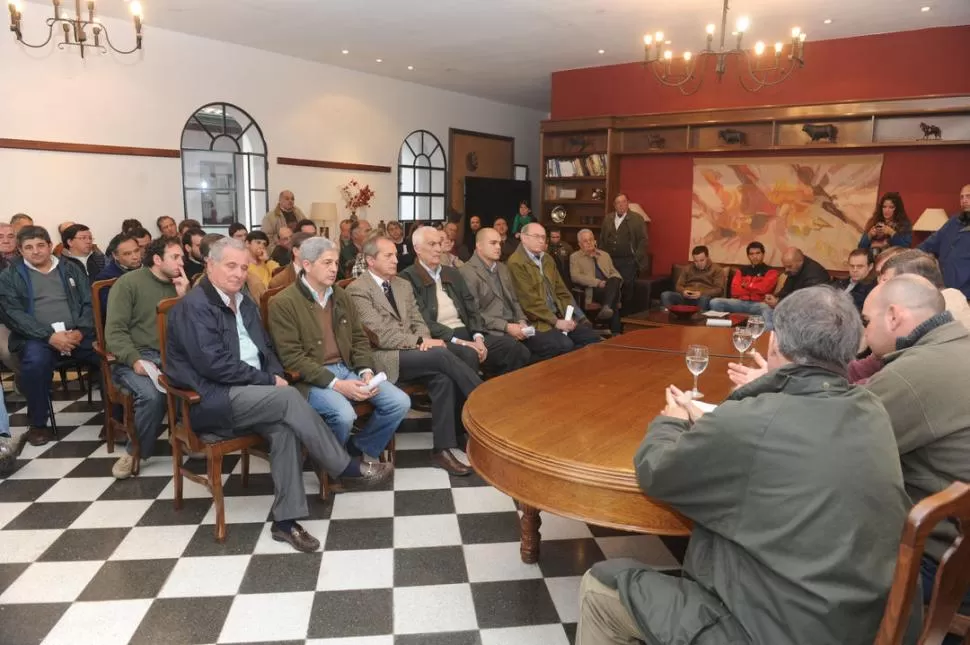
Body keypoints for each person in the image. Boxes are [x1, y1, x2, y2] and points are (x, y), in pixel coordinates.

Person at [579, 286, 916, 645]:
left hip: (776, 631)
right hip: (865, 621)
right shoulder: (872, 408)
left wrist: (671, 420)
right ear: (851, 348)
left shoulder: (753, 420)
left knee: (599, 589)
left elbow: (656, 471)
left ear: (774, 344)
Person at [165, 238, 393, 552]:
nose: (239, 273)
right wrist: (270, 381)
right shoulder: (193, 307)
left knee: (285, 427)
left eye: (244, 267)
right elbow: (214, 366)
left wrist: (275, 375)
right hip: (212, 400)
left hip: (256, 396)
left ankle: (285, 522)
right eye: (230, 266)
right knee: (287, 400)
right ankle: (344, 466)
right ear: (209, 265)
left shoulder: (243, 301)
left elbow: (267, 349)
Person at [861, 275, 970, 633]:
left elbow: (835, 448)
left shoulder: (912, 374)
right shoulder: (958, 346)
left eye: (866, 322)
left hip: (940, 561)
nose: (864, 334)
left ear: (893, 316)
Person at [347, 236, 482, 476]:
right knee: (441, 356)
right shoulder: (357, 290)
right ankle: (485, 402)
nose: (395, 259)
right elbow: (380, 335)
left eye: (395, 254)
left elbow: (419, 321)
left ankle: (444, 446)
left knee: (459, 361)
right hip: (384, 356)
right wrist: (420, 342)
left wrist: (423, 340)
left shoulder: (402, 285)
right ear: (370, 260)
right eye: (388, 256)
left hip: (415, 351)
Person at [268, 237, 410, 462]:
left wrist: (365, 371)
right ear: (306, 265)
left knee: (399, 402)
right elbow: (292, 358)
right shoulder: (283, 302)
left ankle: (353, 450)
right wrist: (338, 385)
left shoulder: (340, 295)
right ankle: (332, 464)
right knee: (344, 414)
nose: (334, 268)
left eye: (335, 262)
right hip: (311, 379)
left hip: (347, 368)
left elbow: (359, 338)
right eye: (326, 263)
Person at [0, 226, 100, 446]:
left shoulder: (70, 268)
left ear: (49, 246)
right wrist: (49, 336)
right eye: (28, 247)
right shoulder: (9, 276)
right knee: (34, 363)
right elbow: (12, 314)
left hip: (77, 333)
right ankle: (38, 424)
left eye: (40, 245)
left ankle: (117, 418)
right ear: (20, 251)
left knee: (108, 355)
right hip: (36, 337)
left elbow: (88, 302)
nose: (35, 251)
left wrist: (80, 331)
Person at [105, 237, 190, 478]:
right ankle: (134, 452)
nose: (181, 262)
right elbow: (115, 332)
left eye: (182, 257)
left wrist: (184, 297)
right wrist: (134, 360)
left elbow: (193, 328)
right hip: (136, 357)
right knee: (152, 396)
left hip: (172, 357)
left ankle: (188, 437)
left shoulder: (180, 284)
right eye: (175, 257)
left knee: (204, 380)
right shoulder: (128, 284)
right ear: (156, 259)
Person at [402, 227, 529, 376]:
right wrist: (461, 342)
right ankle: (477, 396)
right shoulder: (407, 278)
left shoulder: (451, 273)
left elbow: (471, 309)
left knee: (513, 348)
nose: (438, 249)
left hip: (468, 332)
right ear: (417, 248)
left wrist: (478, 337)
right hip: (442, 338)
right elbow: (423, 320)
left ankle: (501, 393)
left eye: (440, 243)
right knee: (469, 354)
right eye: (432, 244)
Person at [460, 228, 570, 363]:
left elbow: (515, 301)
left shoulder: (502, 268)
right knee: (521, 352)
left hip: (515, 326)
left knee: (561, 343)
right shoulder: (467, 272)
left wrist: (522, 322)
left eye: (499, 243)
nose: (498, 247)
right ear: (479, 245)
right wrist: (507, 327)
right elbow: (474, 313)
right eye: (493, 243)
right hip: (492, 330)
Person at [508, 223, 601, 350]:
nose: (541, 241)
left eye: (543, 237)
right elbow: (530, 303)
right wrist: (556, 322)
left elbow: (561, 291)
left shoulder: (547, 259)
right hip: (538, 322)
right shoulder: (516, 262)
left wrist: (570, 317)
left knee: (591, 336)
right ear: (524, 238)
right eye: (536, 237)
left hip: (559, 315)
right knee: (565, 345)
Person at [920, 183, 970, 299]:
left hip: (966, 293)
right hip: (944, 289)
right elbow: (930, 244)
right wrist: (910, 256)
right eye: (962, 197)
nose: (964, 200)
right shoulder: (953, 221)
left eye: (968, 196)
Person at [709, 241, 779, 324]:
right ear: (748, 256)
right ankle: (720, 329)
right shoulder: (741, 271)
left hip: (759, 304)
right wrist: (755, 288)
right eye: (751, 254)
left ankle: (767, 335)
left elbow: (764, 289)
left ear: (763, 254)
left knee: (767, 308)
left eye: (758, 253)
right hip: (740, 302)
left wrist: (747, 286)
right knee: (715, 302)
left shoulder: (771, 271)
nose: (755, 256)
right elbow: (734, 291)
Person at [600, 193, 648, 308]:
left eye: (623, 202)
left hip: (628, 261)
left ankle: (625, 318)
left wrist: (636, 258)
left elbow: (643, 240)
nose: (621, 205)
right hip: (610, 260)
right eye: (618, 203)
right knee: (611, 287)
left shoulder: (637, 219)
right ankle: (611, 315)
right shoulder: (608, 218)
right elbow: (602, 238)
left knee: (627, 290)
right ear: (614, 205)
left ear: (628, 203)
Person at [570, 229, 623, 330]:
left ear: (595, 241)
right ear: (580, 244)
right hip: (594, 290)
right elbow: (575, 276)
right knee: (614, 297)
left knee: (615, 279)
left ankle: (606, 307)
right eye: (585, 241)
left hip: (609, 287)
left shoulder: (604, 255)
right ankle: (616, 332)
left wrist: (611, 282)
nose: (589, 243)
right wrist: (598, 283)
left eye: (591, 239)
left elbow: (614, 272)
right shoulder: (575, 257)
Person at [659, 245, 725, 312]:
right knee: (665, 295)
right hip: (686, 297)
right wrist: (683, 291)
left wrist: (701, 293)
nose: (699, 263)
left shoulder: (717, 270)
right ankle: (670, 319)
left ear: (707, 257)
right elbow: (678, 286)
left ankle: (699, 320)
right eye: (696, 261)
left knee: (704, 299)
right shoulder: (687, 268)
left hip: (702, 298)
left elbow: (719, 290)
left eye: (702, 260)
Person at [94, 232, 145, 317]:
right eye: (127, 254)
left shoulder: (151, 268)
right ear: (115, 256)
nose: (135, 257)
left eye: (136, 251)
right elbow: (112, 310)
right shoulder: (105, 278)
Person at [766, 248, 830, 309]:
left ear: (800, 262)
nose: (786, 270)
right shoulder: (794, 270)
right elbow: (786, 290)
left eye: (789, 266)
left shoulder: (814, 274)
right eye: (785, 267)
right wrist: (775, 297)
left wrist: (779, 302)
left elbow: (806, 302)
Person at [244, 230, 280, 302]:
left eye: (264, 244)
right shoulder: (243, 265)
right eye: (258, 242)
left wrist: (267, 260)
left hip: (274, 299)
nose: (261, 246)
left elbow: (279, 278)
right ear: (247, 243)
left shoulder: (268, 263)